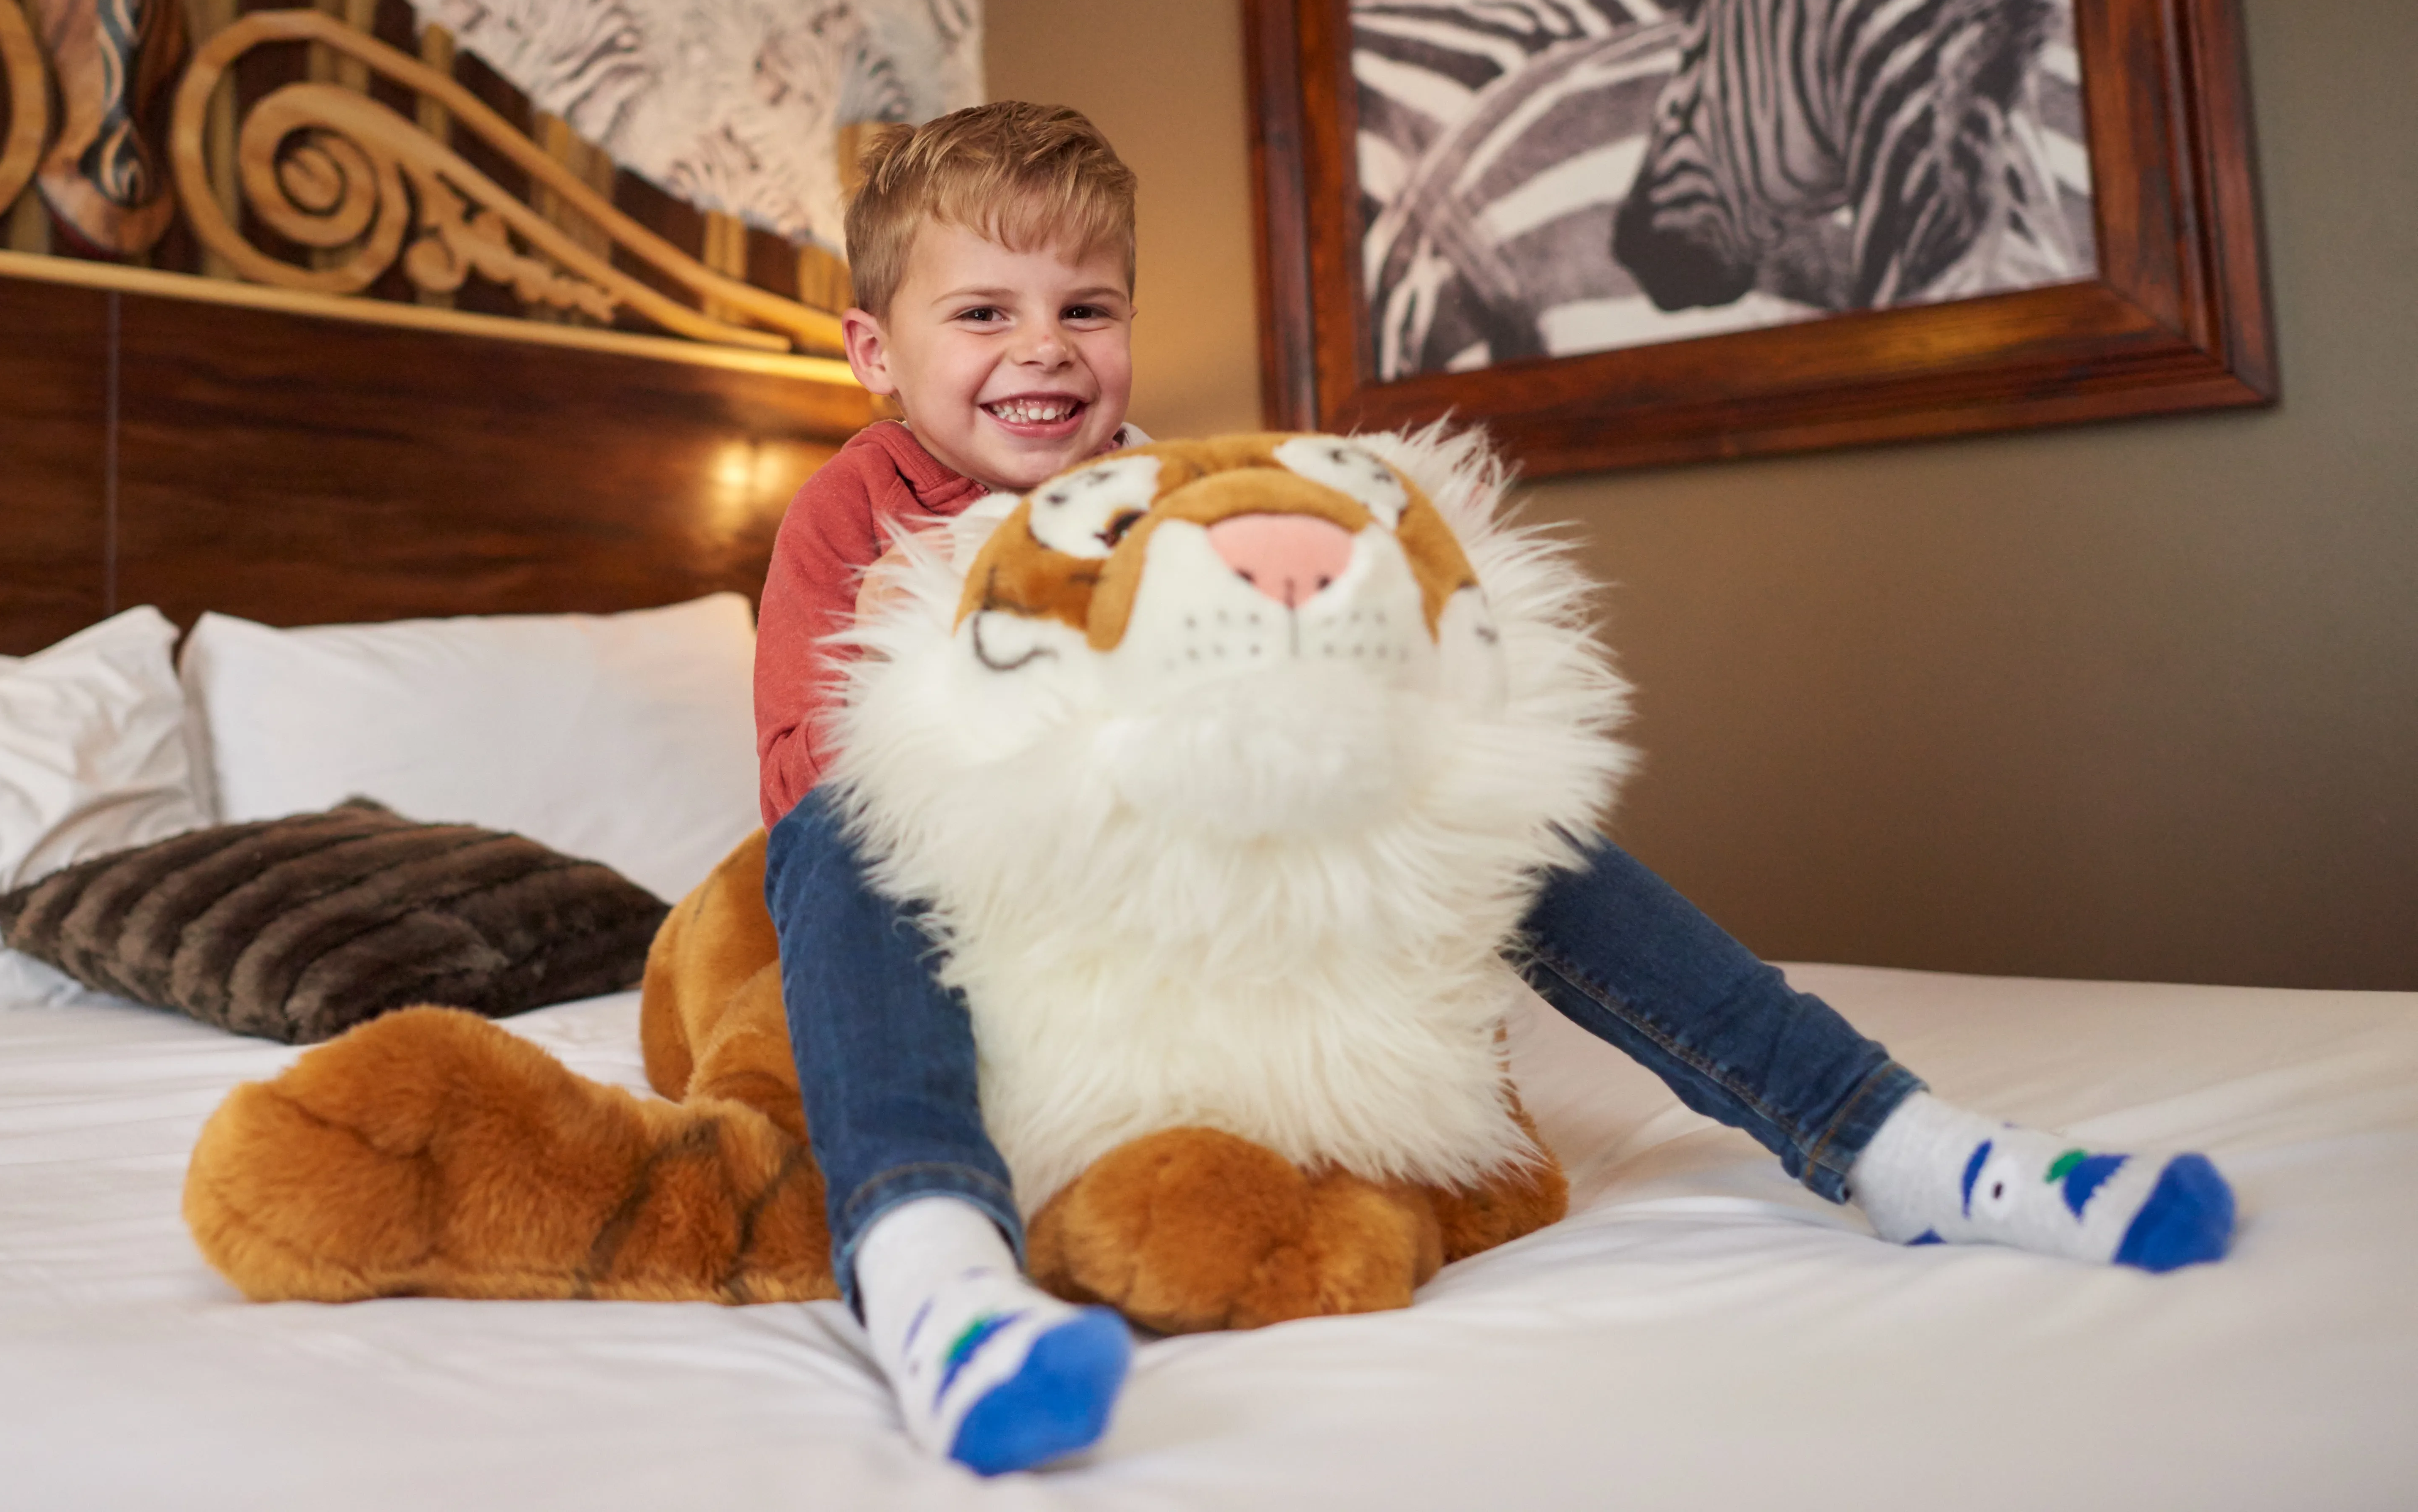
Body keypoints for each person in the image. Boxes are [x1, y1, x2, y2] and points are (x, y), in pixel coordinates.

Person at [757, 101, 2236, 1477]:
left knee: (1504, 815)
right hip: (999, 902)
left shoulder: (1176, 492)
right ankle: (931, 1263)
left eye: (1088, 309)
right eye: (983, 314)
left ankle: (1893, 1140)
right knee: (840, 836)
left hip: (1205, 885)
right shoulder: (858, 517)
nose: (1047, 349)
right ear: (876, 351)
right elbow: (813, 773)